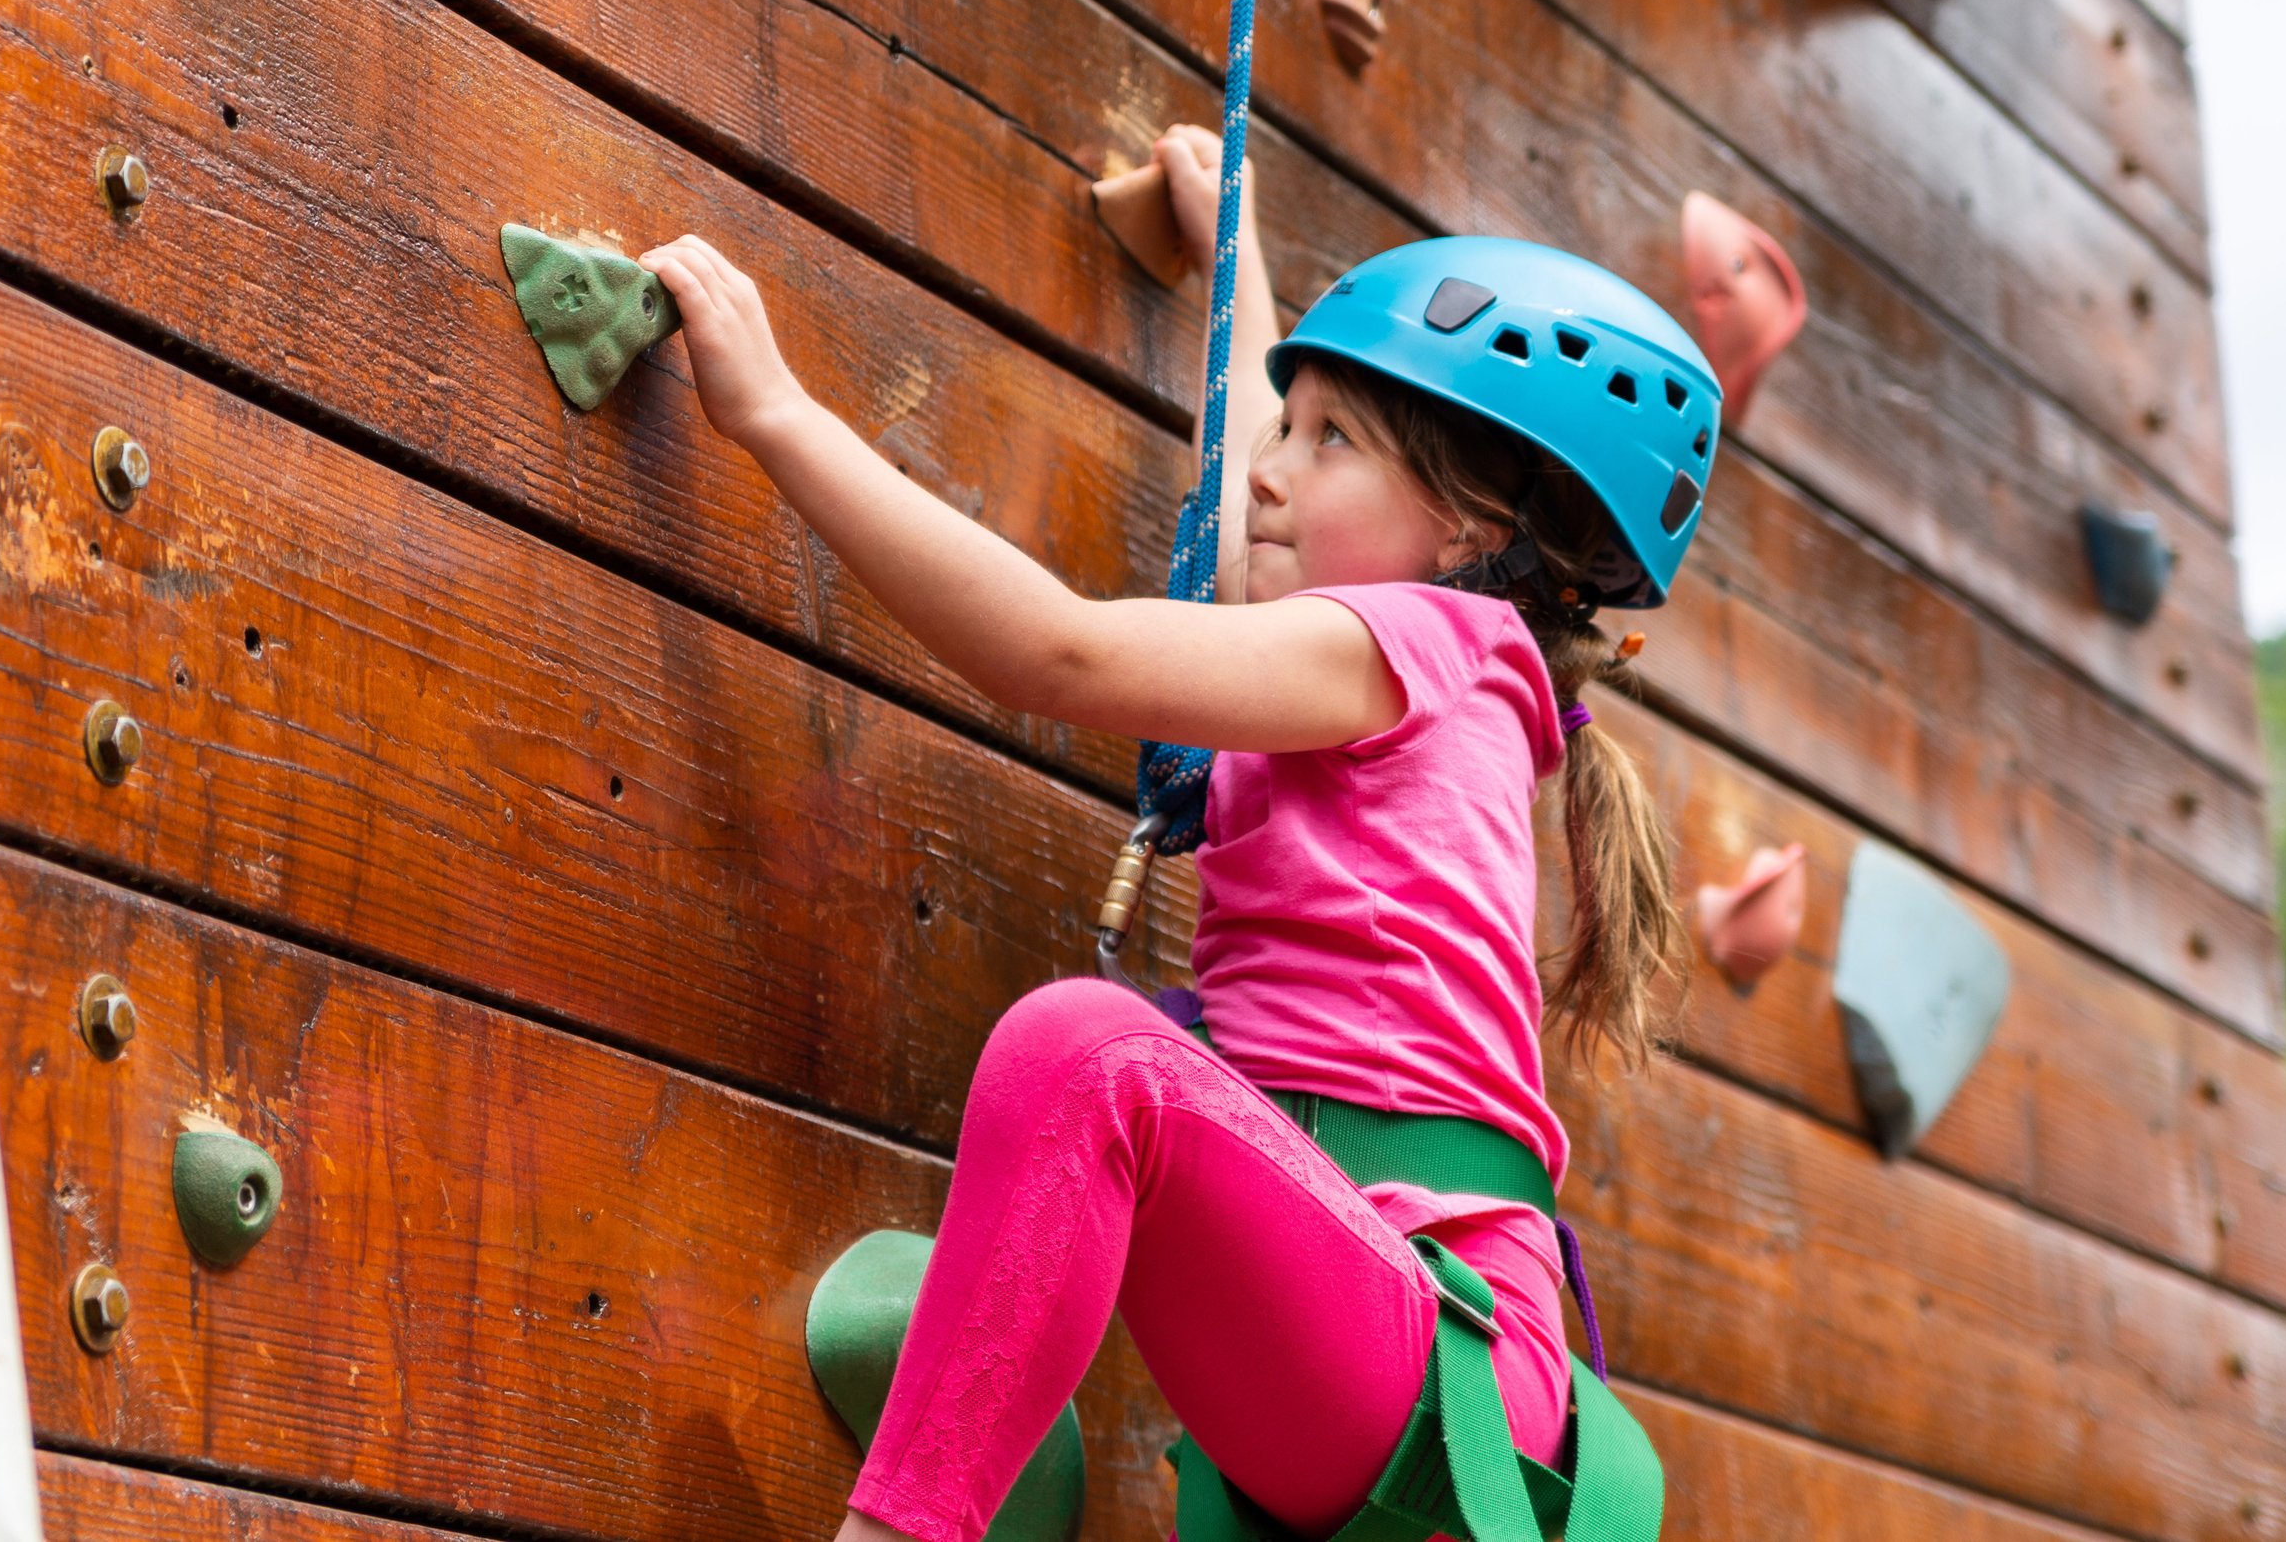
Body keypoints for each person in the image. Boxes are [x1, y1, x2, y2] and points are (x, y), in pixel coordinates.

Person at [639, 123, 1710, 1542]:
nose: (1273, 468)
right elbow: (1238, 528)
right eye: (1289, 423)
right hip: (1390, 1345)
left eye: (1331, 441)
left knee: (1088, 1053)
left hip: (1429, 1336)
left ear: (1467, 534)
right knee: (1127, 1065)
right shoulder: (1415, 675)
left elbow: (1063, 658)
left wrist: (778, 411)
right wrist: (1239, 264)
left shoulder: (1421, 643)